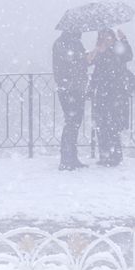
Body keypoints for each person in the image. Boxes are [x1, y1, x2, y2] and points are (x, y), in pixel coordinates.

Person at [89, 27, 135, 166]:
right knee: (102, 125)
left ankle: (115, 156)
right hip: (103, 93)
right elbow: (94, 69)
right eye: (103, 37)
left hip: (116, 94)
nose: (106, 40)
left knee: (112, 126)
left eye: (108, 37)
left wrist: (124, 40)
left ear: (113, 38)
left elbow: (129, 56)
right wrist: (97, 50)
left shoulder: (118, 48)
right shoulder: (100, 52)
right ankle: (105, 156)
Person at [52, 29, 89, 170]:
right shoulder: (65, 43)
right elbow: (73, 62)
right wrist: (85, 58)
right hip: (70, 88)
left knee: (73, 123)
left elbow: (78, 62)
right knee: (72, 123)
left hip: (72, 87)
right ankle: (67, 159)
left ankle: (71, 158)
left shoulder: (69, 42)